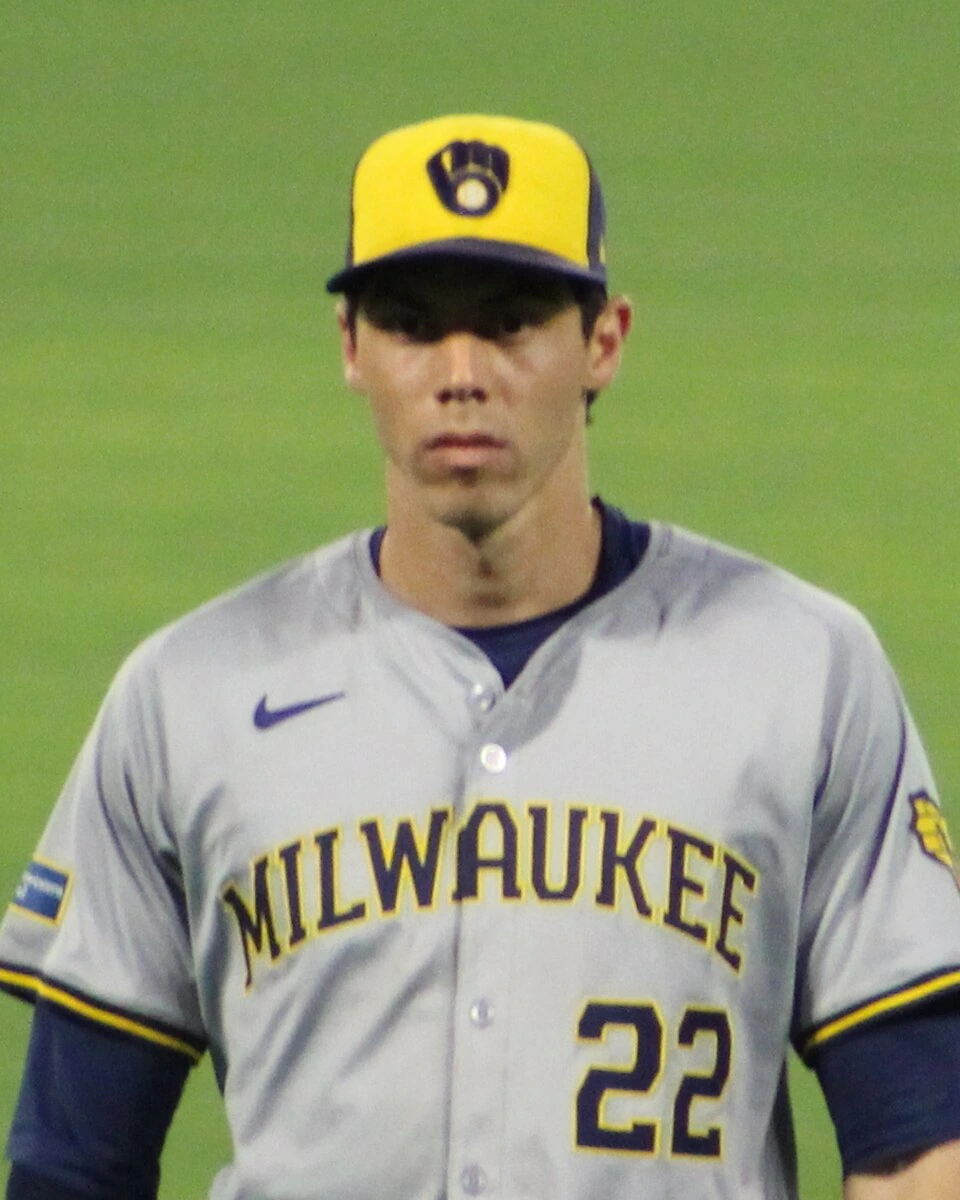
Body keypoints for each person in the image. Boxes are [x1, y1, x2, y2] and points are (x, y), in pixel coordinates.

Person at [1, 113, 959, 1200]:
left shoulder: (800, 670)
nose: (461, 374)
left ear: (605, 340)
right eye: (413, 324)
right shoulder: (190, 697)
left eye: (510, 323)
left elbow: (917, 1144)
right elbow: (73, 1165)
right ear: (351, 346)